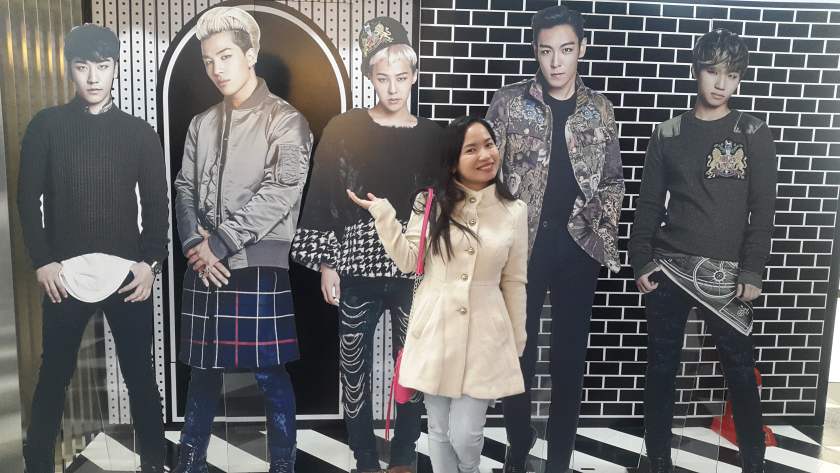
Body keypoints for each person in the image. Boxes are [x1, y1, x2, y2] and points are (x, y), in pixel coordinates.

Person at [291, 16, 441, 473]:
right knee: (353, 367)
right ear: (369, 78)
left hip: (413, 271)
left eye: (401, 77)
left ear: (414, 76)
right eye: (382, 78)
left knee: (413, 367)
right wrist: (326, 263)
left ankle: (404, 455)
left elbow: (442, 205)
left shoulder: (434, 136)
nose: (392, 88)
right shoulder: (345, 128)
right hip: (356, 265)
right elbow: (323, 194)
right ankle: (363, 457)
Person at [17, 24, 169, 473]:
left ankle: (154, 463)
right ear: (69, 69)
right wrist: (43, 261)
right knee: (53, 376)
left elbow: (157, 203)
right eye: (82, 67)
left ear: (115, 68)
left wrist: (150, 263)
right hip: (64, 274)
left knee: (140, 375)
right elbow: (27, 198)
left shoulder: (139, 132)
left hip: (126, 273)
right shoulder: (46, 126)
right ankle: (37, 465)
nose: (93, 77)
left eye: (102, 66)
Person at [628, 29, 777, 473]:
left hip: (728, 274)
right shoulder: (668, 132)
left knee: (739, 369)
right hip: (670, 268)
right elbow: (648, 204)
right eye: (713, 72)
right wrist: (641, 259)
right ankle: (658, 459)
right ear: (697, 71)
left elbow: (763, 209)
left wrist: (752, 270)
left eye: (731, 75)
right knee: (661, 367)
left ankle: (754, 462)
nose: (721, 83)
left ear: (739, 79)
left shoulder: (753, 132)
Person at [171, 7, 312, 473]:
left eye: (226, 56)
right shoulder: (201, 123)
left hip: (256, 264)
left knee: (270, 373)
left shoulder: (286, 120)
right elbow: (184, 187)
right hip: (204, 262)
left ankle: (283, 465)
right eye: (209, 60)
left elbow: (281, 193)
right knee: (202, 374)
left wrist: (219, 243)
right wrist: (194, 244)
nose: (217, 69)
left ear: (251, 55)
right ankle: (190, 461)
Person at [484, 6, 624, 472]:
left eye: (566, 50)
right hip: (522, 248)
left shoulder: (599, 109)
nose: (556, 62)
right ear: (536, 52)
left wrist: (600, 231)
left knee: (568, 359)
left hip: (577, 249)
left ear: (582, 48)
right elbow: (485, 172)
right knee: (517, 354)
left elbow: (613, 179)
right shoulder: (508, 103)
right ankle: (518, 445)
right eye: (546, 52)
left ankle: (560, 459)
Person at [348, 116, 527, 473]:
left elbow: (514, 280)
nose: (485, 155)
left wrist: (516, 338)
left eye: (489, 144)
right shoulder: (431, 202)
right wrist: (384, 216)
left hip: (485, 336)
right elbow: (408, 260)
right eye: (471, 149)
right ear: (452, 161)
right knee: (440, 431)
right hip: (435, 330)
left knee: (465, 434)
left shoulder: (514, 210)